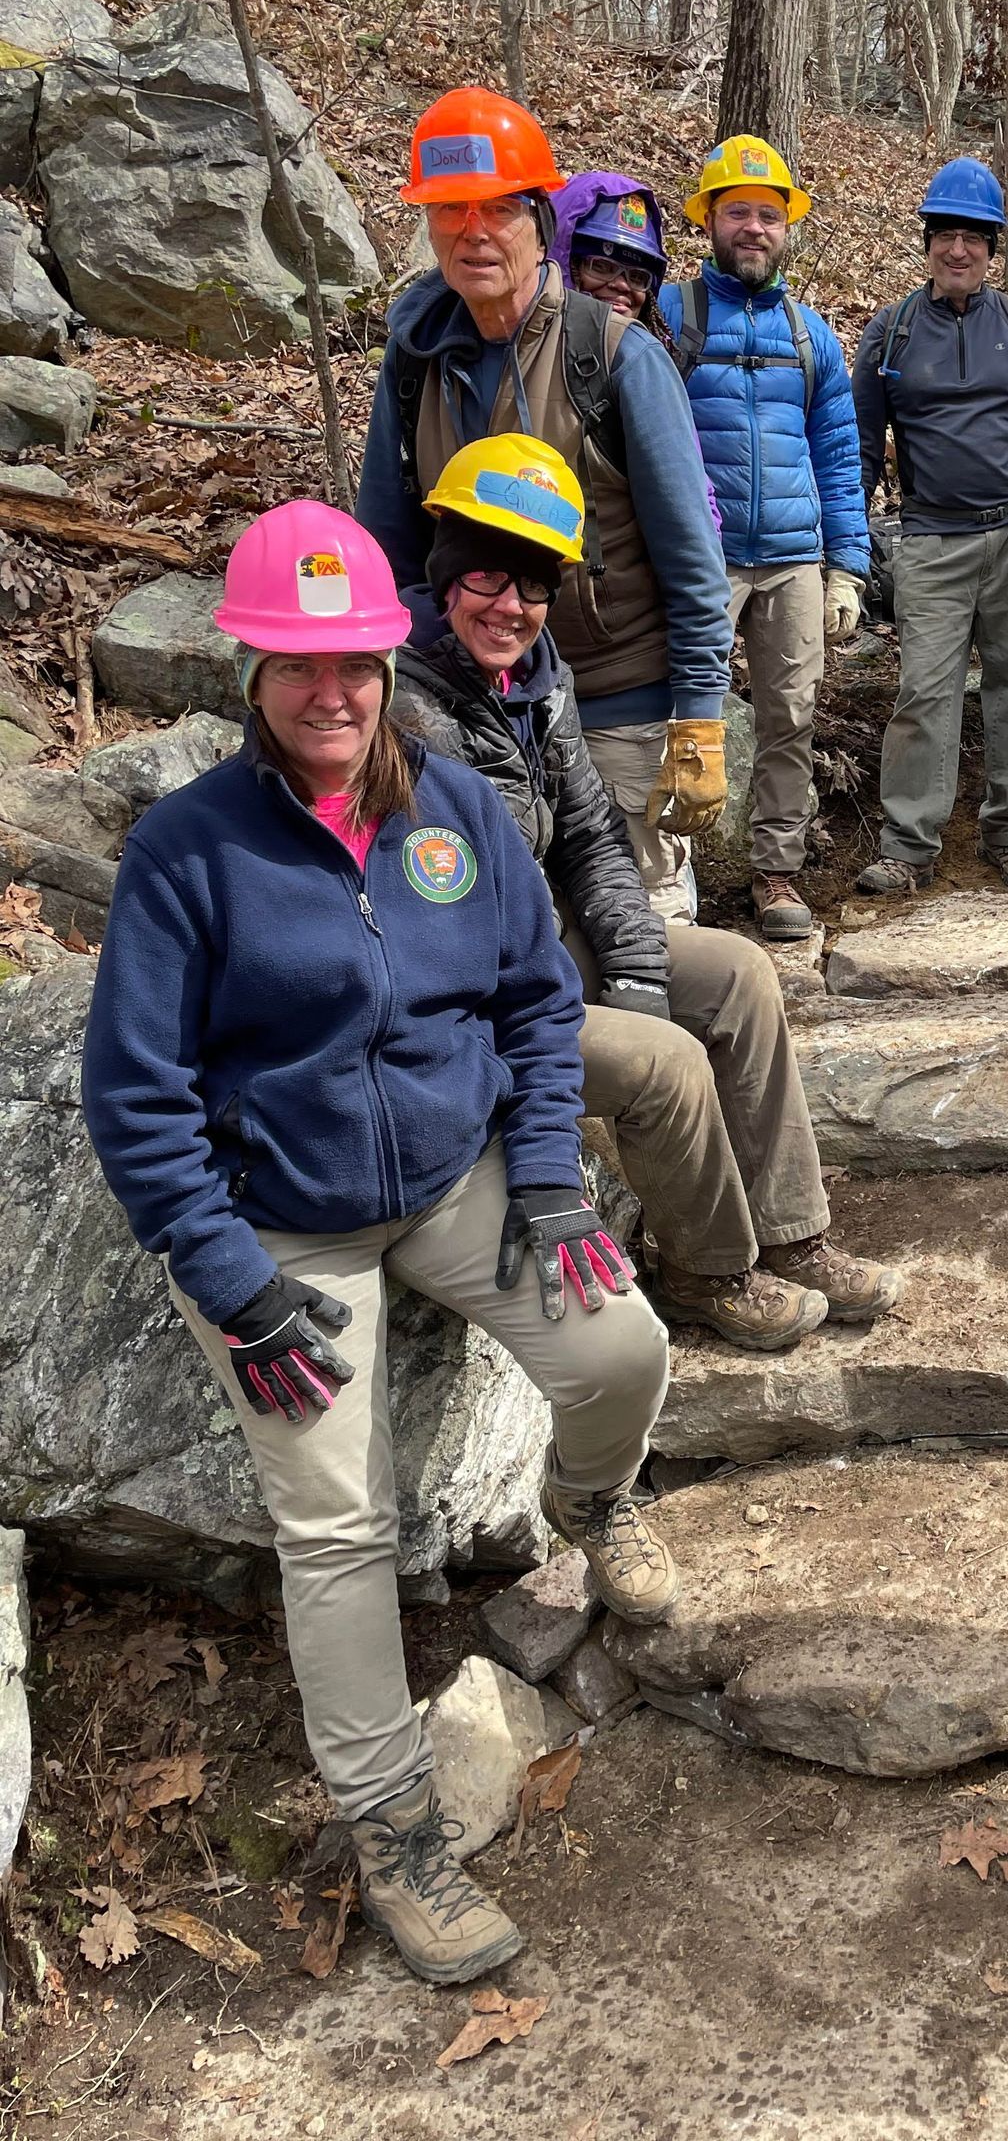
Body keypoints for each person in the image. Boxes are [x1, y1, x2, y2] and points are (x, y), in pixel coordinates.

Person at [81, 502, 674, 1988]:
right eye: (297, 664)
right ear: (248, 673)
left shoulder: (460, 811)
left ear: (389, 656)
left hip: (460, 1181)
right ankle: (392, 1826)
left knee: (623, 1347)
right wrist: (227, 1277)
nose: (331, 693)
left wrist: (546, 1173)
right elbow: (134, 1095)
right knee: (338, 1523)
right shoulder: (187, 850)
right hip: (281, 1230)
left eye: (353, 661)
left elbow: (540, 1002)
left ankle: (588, 1504)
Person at [393, 434, 899, 1351]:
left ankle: (793, 1233)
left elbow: (590, 835)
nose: (512, 606)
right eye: (489, 579)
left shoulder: (537, 685)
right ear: (446, 571)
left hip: (546, 945)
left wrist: (630, 968)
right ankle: (705, 1271)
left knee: (739, 972)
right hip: (469, 995)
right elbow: (452, 916)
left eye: (536, 585)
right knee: (664, 1062)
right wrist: (612, 1005)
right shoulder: (400, 703)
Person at [356, 88, 734, 926]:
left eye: (497, 208)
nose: (473, 231)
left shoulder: (616, 356)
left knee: (646, 957)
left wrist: (699, 718)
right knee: (496, 960)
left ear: (538, 219)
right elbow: (387, 542)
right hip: (465, 716)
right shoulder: (417, 354)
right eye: (449, 210)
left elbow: (691, 552)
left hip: (616, 706)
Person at [850, 157, 1008, 895]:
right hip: (928, 538)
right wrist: (849, 532)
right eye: (945, 234)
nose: (957, 249)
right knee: (924, 690)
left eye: (974, 237)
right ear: (927, 242)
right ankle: (907, 843)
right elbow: (863, 446)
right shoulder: (890, 334)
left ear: (995, 250)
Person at [658, 136, 869, 944]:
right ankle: (671, 869)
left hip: (791, 561)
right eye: (738, 212)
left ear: (788, 229)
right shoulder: (672, 315)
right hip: (699, 558)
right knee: (688, 711)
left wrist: (847, 566)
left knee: (791, 716)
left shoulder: (811, 334)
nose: (754, 228)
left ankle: (774, 873)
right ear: (709, 220)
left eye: (769, 215)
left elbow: (839, 456)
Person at [551, 169, 672, 342]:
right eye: (602, 266)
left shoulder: (647, 362)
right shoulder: (522, 346)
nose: (622, 285)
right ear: (562, 262)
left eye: (638, 276)